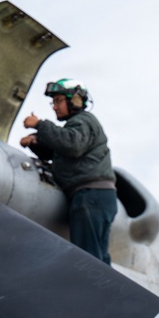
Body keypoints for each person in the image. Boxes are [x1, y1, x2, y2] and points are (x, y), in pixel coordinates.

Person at [20, 79, 117, 264]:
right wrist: (36, 142)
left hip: (90, 196)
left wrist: (40, 125)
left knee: (88, 260)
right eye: (53, 102)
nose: (54, 107)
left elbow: (72, 145)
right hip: (97, 197)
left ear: (75, 101)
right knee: (98, 259)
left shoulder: (83, 121)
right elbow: (59, 151)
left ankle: (89, 293)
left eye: (58, 101)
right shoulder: (76, 126)